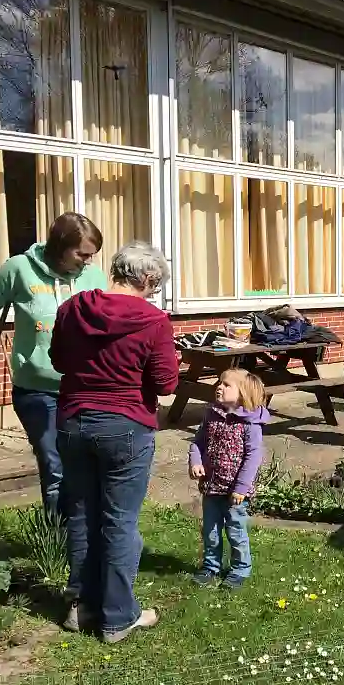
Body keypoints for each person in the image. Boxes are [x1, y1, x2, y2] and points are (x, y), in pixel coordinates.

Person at [51, 241, 178, 643]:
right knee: (118, 520)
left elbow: (57, 360)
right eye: (155, 286)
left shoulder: (72, 308)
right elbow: (166, 383)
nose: (154, 293)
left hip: (73, 421)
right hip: (125, 425)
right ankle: (119, 616)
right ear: (148, 278)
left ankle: (81, 607)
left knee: (81, 514)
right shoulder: (154, 321)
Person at [0, 213, 108, 519]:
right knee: (54, 462)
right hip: (36, 389)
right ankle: (58, 539)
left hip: (84, 388)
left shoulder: (94, 278)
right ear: (60, 245)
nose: (88, 261)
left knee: (85, 463)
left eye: (92, 255)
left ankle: (82, 533)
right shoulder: (19, 269)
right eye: (82, 254)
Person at [190, 369, 269, 588]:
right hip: (212, 486)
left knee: (235, 530)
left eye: (226, 385)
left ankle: (240, 569)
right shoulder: (212, 414)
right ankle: (210, 566)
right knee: (211, 530)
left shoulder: (250, 424)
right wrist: (195, 461)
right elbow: (198, 442)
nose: (219, 387)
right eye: (219, 383)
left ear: (243, 393)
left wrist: (241, 487)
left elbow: (253, 456)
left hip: (235, 491)